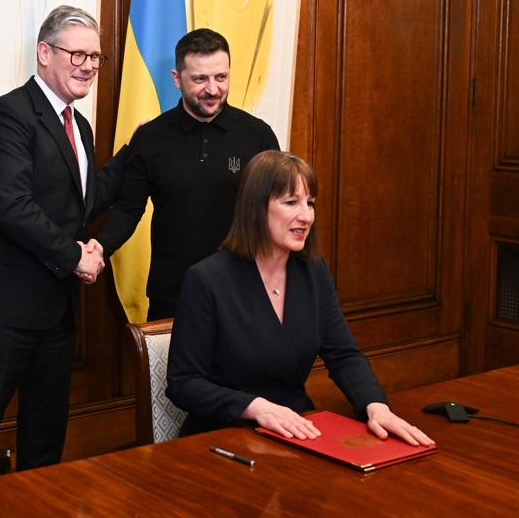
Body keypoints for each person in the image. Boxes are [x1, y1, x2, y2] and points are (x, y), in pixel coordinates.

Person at [0, 6, 128, 486]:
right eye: (77, 54)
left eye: (96, 57)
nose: (88, 65)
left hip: (56, 312)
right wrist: (75, 258)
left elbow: (78, 205)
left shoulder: (79, 126)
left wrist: (137, 156)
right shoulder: (9, 115)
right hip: (2, 313)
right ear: (45, 53)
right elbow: (12, 207)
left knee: (45, 442)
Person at [166, 151, 435, 447]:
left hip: (296, 432)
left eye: (310, 203)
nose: (306, 216)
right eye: (291, 202)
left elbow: (344, 355)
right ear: (256, 208)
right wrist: (257, 407)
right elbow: (184, 384)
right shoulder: (206, 279)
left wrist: (376, 406)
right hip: (222, 436)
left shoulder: (313, 272)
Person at [96, 28, 279, 321]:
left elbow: (277, 211)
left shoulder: (258, 136)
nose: (212, 89)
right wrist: (99, 248)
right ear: (176, 79)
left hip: (244, 291)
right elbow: (129, 209)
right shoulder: (151, 137)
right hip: (172, 294)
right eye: (199, 79)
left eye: (221, 77)